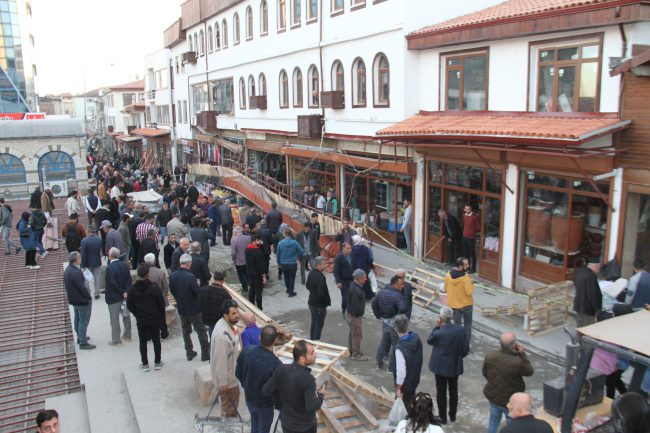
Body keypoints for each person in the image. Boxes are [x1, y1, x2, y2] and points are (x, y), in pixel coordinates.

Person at [262, 340, 326, 433]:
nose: (315, 355)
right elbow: (311, 407)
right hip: (306, 427)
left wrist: (280, 400)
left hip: (288, 424)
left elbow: (266, 390)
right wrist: (321, 395)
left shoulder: (281, 369)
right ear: (302, 359)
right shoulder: (308, 379)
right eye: (312, 353)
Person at [482, 332, 534, 433]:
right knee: (511, 425)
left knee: (493, 421)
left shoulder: (490, 355)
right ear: (513, 345)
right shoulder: (517, 362)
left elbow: (485, 373)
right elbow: (529, 371)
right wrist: (522, 354)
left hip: (493, 397)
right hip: (510, 401)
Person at [236, 325, 282, 433]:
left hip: (249, 399)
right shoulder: (276, 364)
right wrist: (278, 404)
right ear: (275, 340)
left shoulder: (247, 351)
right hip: (265, 405)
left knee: (255, 424)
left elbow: (238, 372)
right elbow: (277, 390)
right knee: (263, 429)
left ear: (259, 337)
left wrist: (246, 385)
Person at [427, 306, 468, 424]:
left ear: (441, 318)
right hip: (454, 366)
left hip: (440, 367)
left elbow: (430, 340)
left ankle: (442, 417)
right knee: (453, 391)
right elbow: (465, 349)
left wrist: (436, 326)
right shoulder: (460, 330)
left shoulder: (439, 332)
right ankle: (453, 415)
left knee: (441, 392)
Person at [169, 254, 210, 361]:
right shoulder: (190, 277)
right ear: (188, 264)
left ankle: (189, 351)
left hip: (181, 308)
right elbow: (197, 292)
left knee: (185, 331)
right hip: (194, 309)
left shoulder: (172, 275)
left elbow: (172, 290)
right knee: (201, 330)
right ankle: (205, 353)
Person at [127, 263, 167, 371]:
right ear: (148, 274)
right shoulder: (154, 287)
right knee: (156, 340)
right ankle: (157, 362)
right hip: (154, 318)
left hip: (141, 319)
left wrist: (136, 313)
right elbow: (161, 304)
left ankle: (145, 363)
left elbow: (129, 305)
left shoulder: (132, 289)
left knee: (143, 341)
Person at [210, 299, 241, 417]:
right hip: (228, 382)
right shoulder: (222, 337)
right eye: (233, 313)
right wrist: (223, 384)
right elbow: (220, 362)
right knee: (229, 410)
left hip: (231, 376)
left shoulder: (228, 325)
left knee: (230, 409)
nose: (237, 315)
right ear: (225, 315)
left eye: (237, 312)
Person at [372, 275, 407, 371]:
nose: (402, 286)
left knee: (383, 342)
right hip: (394, 324)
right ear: (395, 284)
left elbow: (373, 303)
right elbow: (403, 307)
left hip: (385, 321)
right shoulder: (398, 295)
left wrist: (378, 315)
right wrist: (398, 319)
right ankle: (391, 367)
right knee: (395, 345)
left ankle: (379, 363)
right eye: (401, 284)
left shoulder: (382, 292)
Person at [64, 251, 95, 349]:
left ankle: (80, 337)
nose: (81, 259)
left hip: (74, 300)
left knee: (77, 319)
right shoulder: (76, 273)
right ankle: (83, 342)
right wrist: (89, 298)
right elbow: (82, 288)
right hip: (81, 301)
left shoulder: (68, 270)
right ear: (76, 260)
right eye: (79, 257)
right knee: (83, 321)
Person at [393, 314, 423, 410]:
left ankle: (407, 422)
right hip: (414, 378)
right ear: (408, 326)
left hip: (405, 384)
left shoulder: (399, 348)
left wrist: (398, 388)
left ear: (395, 329)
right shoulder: (417, 338)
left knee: (404, 407)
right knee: (411, 400)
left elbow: (401, 372)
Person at [104, 247, 132, 345]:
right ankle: (127, 335)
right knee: (126, 315)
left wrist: (121, 292)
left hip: (113, 297)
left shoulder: (109, 268)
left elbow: (112, 283)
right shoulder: (125, 265)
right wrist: (126, 292)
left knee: (114, 319)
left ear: (110, 256)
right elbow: (129, 280)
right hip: (124, 296)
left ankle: (116, 339)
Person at [444, 257, 474, 345]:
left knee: (457, 326)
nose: (468, 266)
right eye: (466, 265)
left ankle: (457, 345)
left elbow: (445, 288)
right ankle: (465, 345)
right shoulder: (466, 278)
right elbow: (469, 292)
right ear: (460, 266)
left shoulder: (448, 274)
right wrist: (473, 285)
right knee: (467, 325)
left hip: (454, 305)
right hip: (467, 305)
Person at [199, 269, 232, 337]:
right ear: (224, 278)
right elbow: (229, 310)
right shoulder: (224, 294)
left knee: (212, 336)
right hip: (219, 322)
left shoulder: (202, 290)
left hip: (207, 319)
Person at [306, 256, 331, 340]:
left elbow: (307, 286)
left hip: (311, 303)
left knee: (314, 323)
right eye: (324, 264)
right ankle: (316, 342)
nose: (326, 265)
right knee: (318, 325)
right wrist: (325, 302)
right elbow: (321, 293)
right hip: (319, 306)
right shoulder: (320, 277)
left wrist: (313, 292)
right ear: (319, 265)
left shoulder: (312, 272)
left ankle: (312, 340)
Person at [573, 258, 603, 327]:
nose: (599, 270)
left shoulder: (579, 272)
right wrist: (598, 309)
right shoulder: (591, 275)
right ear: (596, 266)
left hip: (578, 305)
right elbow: (592, 294)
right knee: (588, 328)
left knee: (580, 326)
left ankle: (579, 338)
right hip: (588, 309)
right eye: (599, 268)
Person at [347, 269, 369, 361]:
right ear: (359, 278)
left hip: (352, 315)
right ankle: (355, 355)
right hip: (354, 316)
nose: (366, 279)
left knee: (352, 333)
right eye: (364, 277)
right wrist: (359, 314)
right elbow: (356, 306)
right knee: (357, 335)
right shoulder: (356, 289)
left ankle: (352, 351)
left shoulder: (354, 285)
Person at [276, 229, 304, 298]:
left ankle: (288, 290)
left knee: (286, 277)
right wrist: (296, 256)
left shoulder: (280, 243)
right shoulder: (295, 243)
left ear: (285, 234)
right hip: (292, 263)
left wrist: (279, 263)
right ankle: (291, 292)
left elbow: (278, 254)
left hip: (283, 263)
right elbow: (302, 251)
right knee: (292, 277)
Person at [80, 226, 103, 299]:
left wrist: (83, 265)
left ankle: (88, 294)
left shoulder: (84, 241)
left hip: (87, 263)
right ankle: (97, 293)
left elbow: (83, 254)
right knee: (97, 277)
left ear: (88, 231)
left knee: (86, 279)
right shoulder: (99, 240)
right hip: (97, 261)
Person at [246, 234, 268, 308]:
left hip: (249, 272)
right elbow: (261, 266)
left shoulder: (247, 249)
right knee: (258, 291)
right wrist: (264, 277)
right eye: (258, 240)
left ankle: (251, 305)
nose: (260, 241)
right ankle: (259, 307)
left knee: (251, 289)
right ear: (254, 241)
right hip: (257, 275)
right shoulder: (258, 253)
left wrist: (260, 245)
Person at [333, 242, 354, 316]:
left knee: (352, 297)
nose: (350, 250)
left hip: (352, 280)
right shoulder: (338, 258)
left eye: (350, 248)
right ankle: (344, 310)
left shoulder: (352, 256)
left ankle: (350, 311)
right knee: (345, 298)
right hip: (344, 281)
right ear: (343, 248)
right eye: (348, 248)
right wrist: (338, 282)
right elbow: (335, 271)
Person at [351, 235, 375, 299]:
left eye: (353, 240)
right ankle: (368, 295)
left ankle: (359, 296)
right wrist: (371, 266)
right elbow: (369, 259)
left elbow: (353, 261)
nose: (352, 241)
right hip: (365, 268)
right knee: (366, 282)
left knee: (357, 282)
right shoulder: (365, 248)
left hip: (357, 269)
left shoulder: (353, 249)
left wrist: (352, 269)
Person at [461, 204, 480, 273]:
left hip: (471, 237)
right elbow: (464, 224)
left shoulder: (474, 217)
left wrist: (473, 231)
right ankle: (467, 267)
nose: (467, 210)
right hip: (465, 236)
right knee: (466, 253)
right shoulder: (464, 216)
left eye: (468, 209)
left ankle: (473, 268)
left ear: (471, 209)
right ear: (464, 209)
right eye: (466, 209)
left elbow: (478, 227)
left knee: (472, 253)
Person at [231, 227, 251, 292]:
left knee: (241, 274)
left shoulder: (234, 240)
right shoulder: (248, 237)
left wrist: (233, 260)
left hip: (239, 261)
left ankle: (245, 287)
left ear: (235, 232)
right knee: (246, 272)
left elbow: (233, 253)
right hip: (247, 259)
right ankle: (249, 284)